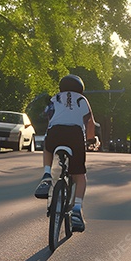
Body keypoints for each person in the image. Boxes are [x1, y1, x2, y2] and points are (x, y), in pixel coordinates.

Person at [34, 74, 98, 232]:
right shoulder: (82, 100)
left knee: (48, 147)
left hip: (55, 133)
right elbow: (90, 122)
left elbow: (49, 117)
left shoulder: (54, 98)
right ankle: (76, 210)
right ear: (80, 88)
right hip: (75, 136)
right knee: (80, 175)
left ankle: (47, 176)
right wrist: (90, 140)